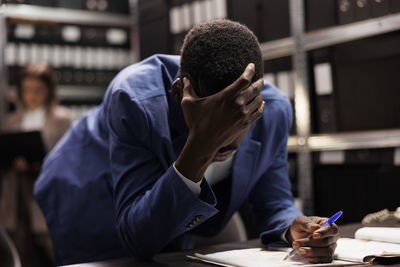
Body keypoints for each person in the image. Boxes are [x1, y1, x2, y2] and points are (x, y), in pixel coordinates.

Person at [34, 20, 339, 265]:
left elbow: (274, 203)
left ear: (256, 105)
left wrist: (293, 228)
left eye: (238, 122)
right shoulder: (133, 100)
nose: (227, 137)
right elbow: (138, 237)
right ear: (181, 94)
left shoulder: (272, 111)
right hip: (86, 187)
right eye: (217, 123)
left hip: (171, 200)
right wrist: (201, 144)